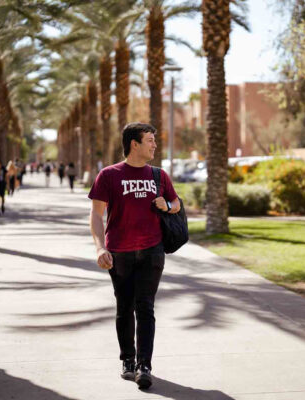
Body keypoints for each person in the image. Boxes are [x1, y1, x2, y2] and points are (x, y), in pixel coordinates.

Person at [88, 123, 180, 390]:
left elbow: (176, 203)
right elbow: (96, 215)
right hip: (120, 253)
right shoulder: (109, 175)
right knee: (124, 307)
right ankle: (128, 360)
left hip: (152, 251)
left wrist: (168, 205)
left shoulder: (159, 175)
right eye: (149, 140)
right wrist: (99, 248)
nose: (154, 145)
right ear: (134, 144)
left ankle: (144, 365)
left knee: (146, 307)